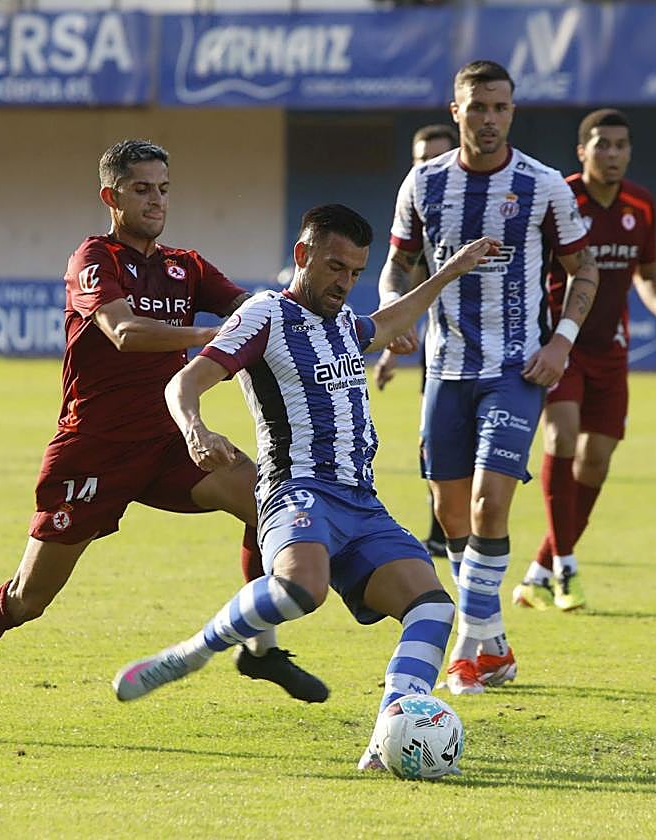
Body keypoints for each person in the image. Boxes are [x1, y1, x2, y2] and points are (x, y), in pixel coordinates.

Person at [0, 139, 326, 740]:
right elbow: (124, 332)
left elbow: (255, 311)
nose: (157, 201)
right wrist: (211, 335)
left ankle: (259, 648)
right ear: (112, 196)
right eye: (142, 189)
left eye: (164, 189)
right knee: (28, 599)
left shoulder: (186, 266)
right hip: (93, 452)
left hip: (171, 443)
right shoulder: (93, 258)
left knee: (266, 503)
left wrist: (308, 306)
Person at [109, 204, 498, 773]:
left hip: (361, 502)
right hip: (297, 490)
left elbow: (388, 323)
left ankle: (387, 739)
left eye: (355, 272)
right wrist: (196, 430)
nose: (345, 282)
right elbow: (183, 383)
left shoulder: (343, 323)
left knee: (434, 608)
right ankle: (192, 653)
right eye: (335, 267)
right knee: (302, 589)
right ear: (303, 256)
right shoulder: (264, 314)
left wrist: (449, 272)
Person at [382, 60, 599, 695]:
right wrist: (396, 312)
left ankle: (463, 650)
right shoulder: (424, 183)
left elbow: (584, 268)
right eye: (476, 107)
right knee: (450, 511)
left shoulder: (542, 184)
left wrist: (561, 342)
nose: (488, 119)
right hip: (445, 369)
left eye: (499, 107)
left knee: (487, 503)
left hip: (515, 369)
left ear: (512, 112)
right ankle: (494, 641)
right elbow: (397, 265)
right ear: (456, 112)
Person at [510, 109, 656, 613]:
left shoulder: (641, 204)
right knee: (562, 437)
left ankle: (540, 571)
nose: (612, 154)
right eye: (602, 145)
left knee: (596, 460)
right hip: (559, 343)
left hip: (610, 348)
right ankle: (567, 566)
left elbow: (646, 273)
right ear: (582, 151)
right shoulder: (559, 198)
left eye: (620, 145)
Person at [373, 123, 458, 558]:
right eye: (421, 159)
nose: (428, 167)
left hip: (490, 352)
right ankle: (443, 534)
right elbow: (413, 288)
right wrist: (392, 349)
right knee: (435, 443)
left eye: (437, 159)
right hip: (438, 349)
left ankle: (463, 536)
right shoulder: (418, 216)